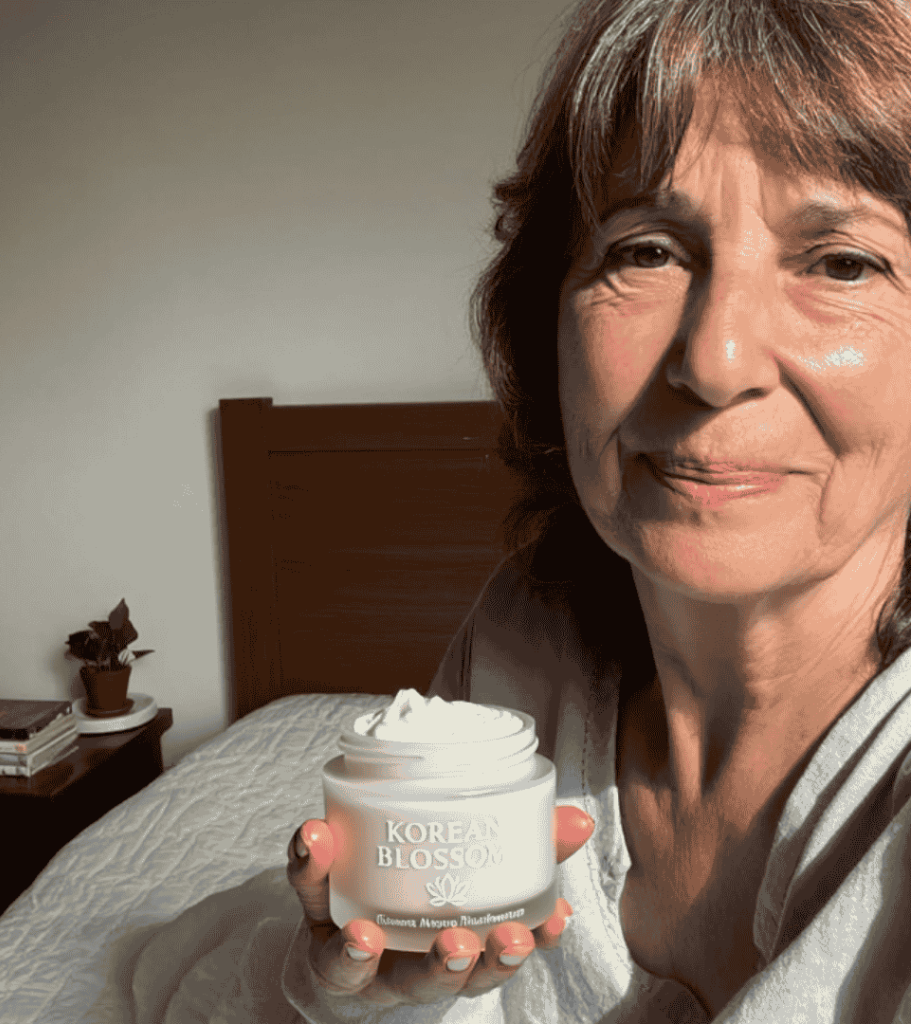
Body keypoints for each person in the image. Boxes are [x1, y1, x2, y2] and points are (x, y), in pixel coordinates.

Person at [283, 0, 911, 1020]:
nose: (715, 361)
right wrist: (369, 1006)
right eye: (646, 251)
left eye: (842, 262)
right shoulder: (520, 642)